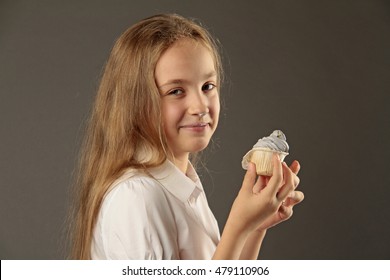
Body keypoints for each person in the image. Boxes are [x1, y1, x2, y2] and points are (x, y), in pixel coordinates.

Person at [68, 13, 304, 260]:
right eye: (176, 91)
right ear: (135, 103)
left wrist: (254, 227)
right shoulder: (138, 197)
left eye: (207, 87)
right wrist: (238, 227)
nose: (200, 106)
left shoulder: (182, 184)